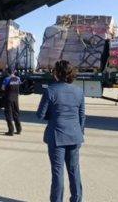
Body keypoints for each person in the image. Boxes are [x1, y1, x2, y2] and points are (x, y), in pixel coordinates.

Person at [36, 60, 85, 202]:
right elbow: (82, 115)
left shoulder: (50, 90)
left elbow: (40, 115)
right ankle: (77, 199)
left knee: (58, 173)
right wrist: (79, 132)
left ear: (56, 73)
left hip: (57, 136)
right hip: (75, 136)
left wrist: (51, 116)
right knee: (74, 170)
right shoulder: (78, 91)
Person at [2, 66, 22, 136]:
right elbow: (19, 84)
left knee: (9, 115)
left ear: (8, 72)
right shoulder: (18, 78)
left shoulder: (6, 79)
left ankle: (11, 131)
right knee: (16, 113)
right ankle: (19, 129)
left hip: (9, 98)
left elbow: (3, 88)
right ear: (14, 71)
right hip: (16, 98)